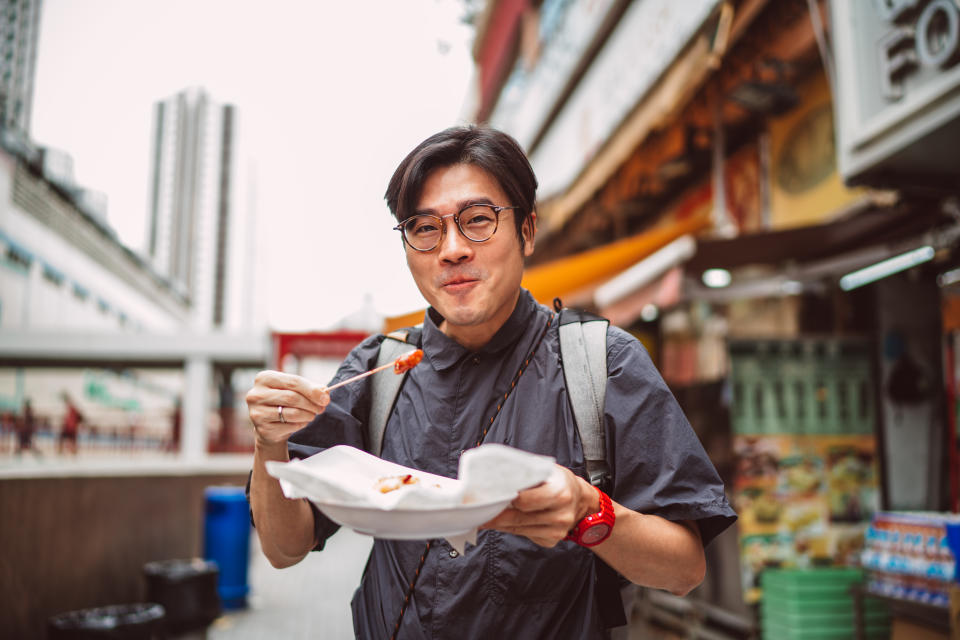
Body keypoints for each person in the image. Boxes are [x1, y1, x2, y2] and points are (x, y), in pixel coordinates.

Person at [245, 125, 737, 639]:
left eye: (478, 220)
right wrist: (268, 443)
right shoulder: (379, 370)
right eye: (424, 228)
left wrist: (590, 511)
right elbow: (284, 550)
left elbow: (684, 569)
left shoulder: (602, 362)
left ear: (526, 230)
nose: (452, 249)